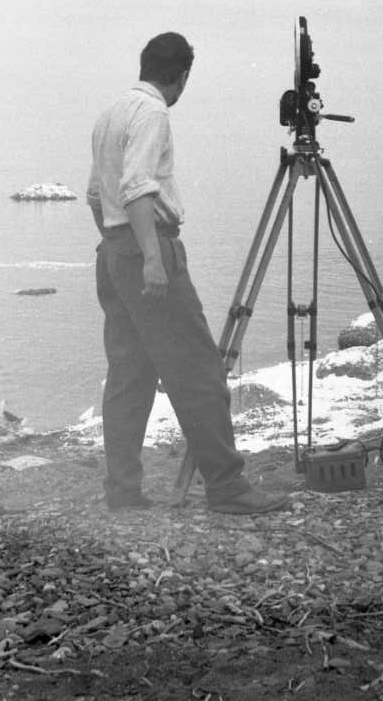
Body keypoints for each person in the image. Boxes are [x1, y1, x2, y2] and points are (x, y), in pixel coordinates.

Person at [87, 32, 287, 515]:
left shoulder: (111, 112)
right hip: (146, 253)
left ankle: (123, 492)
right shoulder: (154, 113)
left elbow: (96, 195)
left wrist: (118, 245)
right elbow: (137, 188)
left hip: (114, 252)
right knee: (198, 371)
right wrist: (152, 257)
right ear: (181, 76)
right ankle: (227, 487)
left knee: (129, 376)